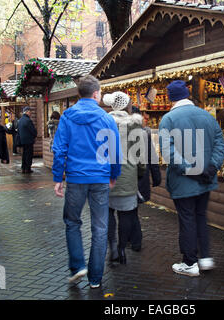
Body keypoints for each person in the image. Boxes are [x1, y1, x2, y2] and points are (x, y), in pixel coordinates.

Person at [52, 75, 121, 289]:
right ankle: (95, 277)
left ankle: (77, 265)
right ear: (95, 94)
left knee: (72, 222)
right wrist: (113, 175)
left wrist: (58, 178)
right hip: (100, 178)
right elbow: (115, 152)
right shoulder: (107, 118)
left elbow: (59, 149)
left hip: (75, 178)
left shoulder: (67, 116)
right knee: (100, 228)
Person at [158, 80, 224, 277]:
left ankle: (189, 262)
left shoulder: (168, 119)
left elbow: (168, 153)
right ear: (187, 95)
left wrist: (191, 169)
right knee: (201, 216)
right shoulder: (207, 116)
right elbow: (220, 143)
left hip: (184, 181)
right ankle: (205, 259)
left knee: (187, 219)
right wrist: (211, 167)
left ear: (170, 98)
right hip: (206, 178)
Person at [103, 93, 145, 265]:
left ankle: (112, 246)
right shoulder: (135, 127)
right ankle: (121, 247)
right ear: (128, 106)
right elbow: (141, 158)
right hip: (128, 176)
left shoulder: (102, 124)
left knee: (108, 213)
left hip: (106, 177)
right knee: (127, 214)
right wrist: (139, 173)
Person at [130, 106, 161, 251]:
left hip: (125, 179)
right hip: (139, 178)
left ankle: (132, 240)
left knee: (129, 210)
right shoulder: (144, 134)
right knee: (132, 209)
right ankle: (134, 240)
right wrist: (156, 177)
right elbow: (152, 157)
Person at [17, 106, 37, 174]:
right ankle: (28, 168)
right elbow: (33, 131)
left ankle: (23, 168)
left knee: (24, 154)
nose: (30, 113)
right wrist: (35, 135)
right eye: (30, 112)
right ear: (27, 112)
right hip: (29, 140)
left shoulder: (20, 120)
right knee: (29, 155)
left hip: (22, 140)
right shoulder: (28, 120)